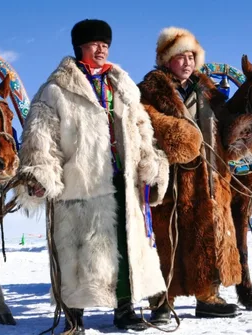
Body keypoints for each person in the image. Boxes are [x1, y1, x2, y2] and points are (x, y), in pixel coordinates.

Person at [16, 19, 169, 334]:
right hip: (79, 184)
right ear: (79, 48)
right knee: (75, 251)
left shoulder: (122, 85)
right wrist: (41, 170)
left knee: (127, 248)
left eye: (105, 44)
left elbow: (141, 127)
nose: (101, 49)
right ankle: (74, 319)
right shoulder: (55, 90)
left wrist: (149, 160)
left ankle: (125, 310)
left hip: (121, 180)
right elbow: (40, 135)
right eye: (94, 44)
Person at [138, 26, 242, 323]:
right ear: (165, 59)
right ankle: (161, 300)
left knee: (208, 235)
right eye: (180, 56)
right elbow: (142, 118)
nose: (187, 62)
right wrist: (172, 132)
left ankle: (207, 295)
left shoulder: (208, 90)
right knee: (167, 238)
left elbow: (225, 125)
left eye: (191, 56)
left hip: (209, 178)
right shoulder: (150, 90)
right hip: (169, 179)